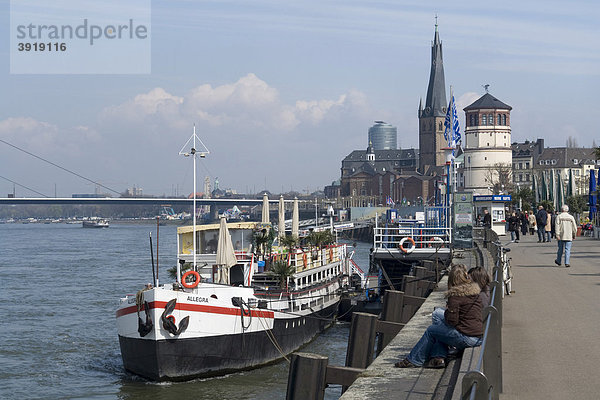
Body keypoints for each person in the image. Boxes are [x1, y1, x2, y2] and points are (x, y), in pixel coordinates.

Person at [395, 265, 483, 369]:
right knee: (437, 315)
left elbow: (452, 321)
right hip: (478, 336)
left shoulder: (455, 296)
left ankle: (414, 360)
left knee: (431, 330)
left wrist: (448, 310)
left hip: (467, 337)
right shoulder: (475, 292)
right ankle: (438, 357)